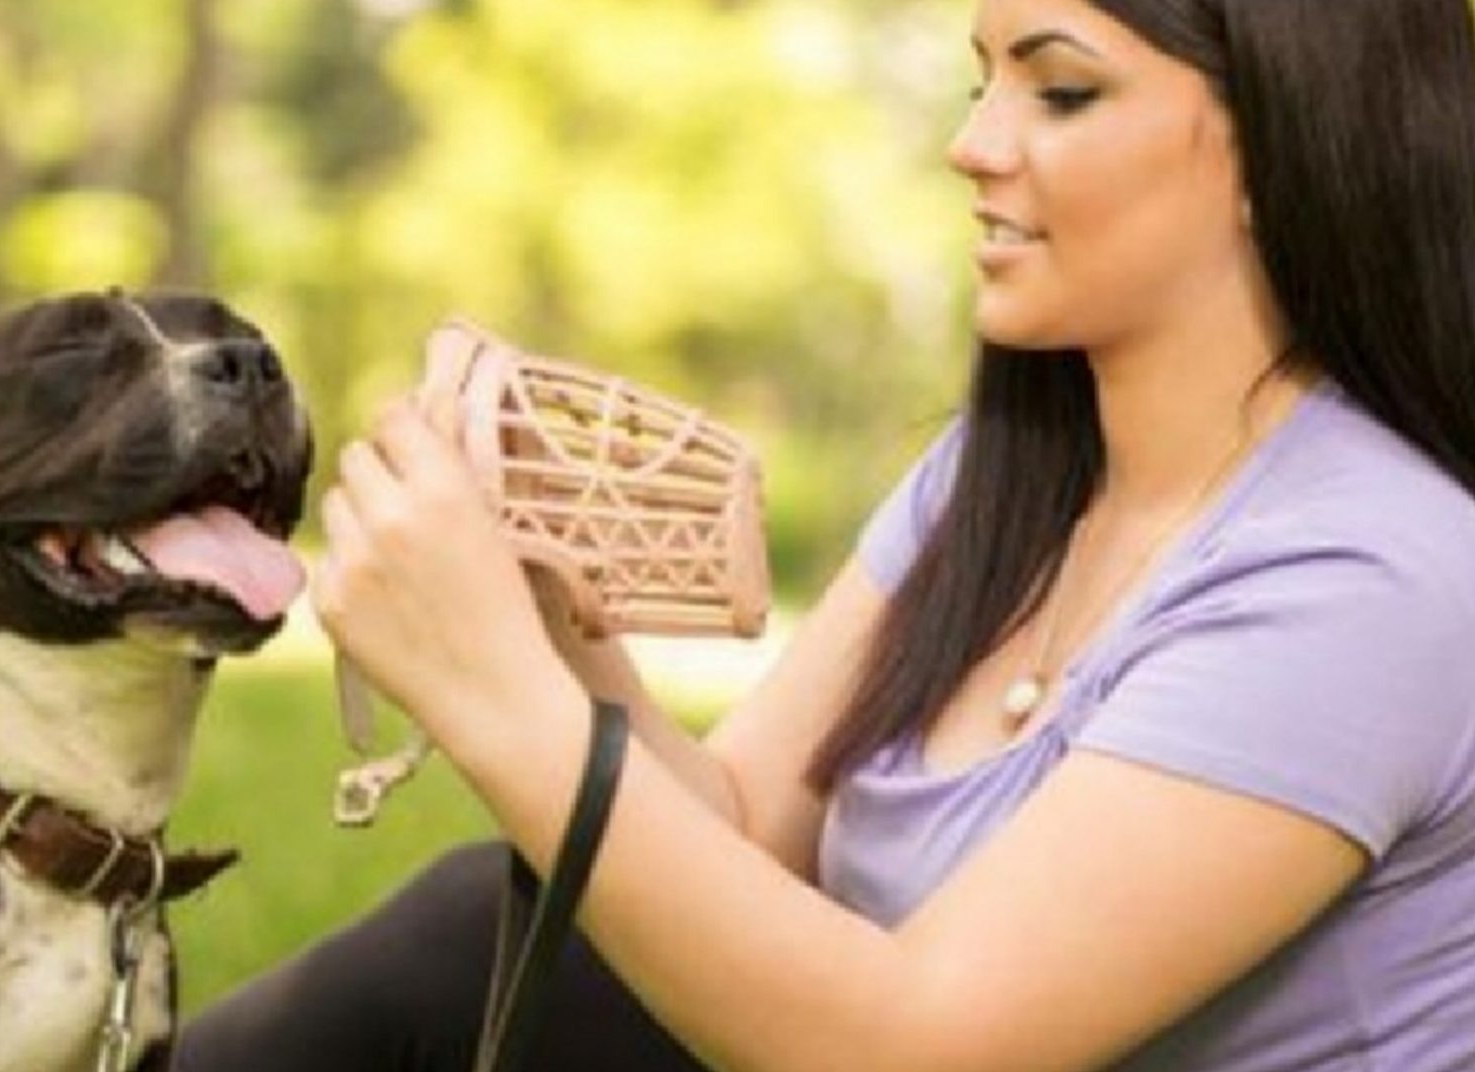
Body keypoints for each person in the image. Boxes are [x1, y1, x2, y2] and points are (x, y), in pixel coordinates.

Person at [178, 0, 1475, 1068]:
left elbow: (916, 1047)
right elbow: (734, 842)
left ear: (1280, 145)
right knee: (483, 930)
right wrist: (558, 632)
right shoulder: (1006, 476)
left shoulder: (1370, 571)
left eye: (1059, 92)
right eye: (980, 82)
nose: (974, 142)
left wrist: (497, 696)